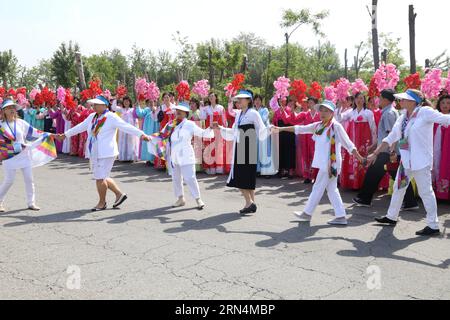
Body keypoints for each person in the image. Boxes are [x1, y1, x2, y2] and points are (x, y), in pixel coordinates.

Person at [369, 89, 450, 236]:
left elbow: (446, 119)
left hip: (421, 162)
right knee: (399, 189)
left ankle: (433, 225)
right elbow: (391, 137)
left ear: (413, 101)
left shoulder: (425, 111)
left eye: (403, 99)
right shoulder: (402, 117)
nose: (400, 101)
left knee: (426, 192)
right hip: (406, 162)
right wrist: (375, 153)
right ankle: (391, 217)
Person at [274, 100, 364, 226]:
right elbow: (300, 128)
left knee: (318, 188)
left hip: (330, 164)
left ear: (332, 113)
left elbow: (348, 144)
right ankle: (341, 216)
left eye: (326, 111)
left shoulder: (336, 126)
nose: (322, 113)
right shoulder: (318, 126)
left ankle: (307, 213)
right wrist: (281, 128)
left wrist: (359, 156)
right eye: (321, 110)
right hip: (324, 163)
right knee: (332, 189)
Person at [57, 96, 151, 211]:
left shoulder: (111, 117)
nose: (94, 106)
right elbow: (80, 127)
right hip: (95, 152)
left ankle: (102, 203)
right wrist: (65, 134)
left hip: (106, 152)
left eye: (97, 104)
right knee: (103, 176)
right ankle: (119, 194)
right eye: (94, 104)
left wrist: (141, 134)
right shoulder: (92, 117)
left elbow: (126, 127)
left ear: (105, 105)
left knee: (99, 177)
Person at [353, 89, 418, 209]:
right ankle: (410, 202)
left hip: (387, 152)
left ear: (386, 100)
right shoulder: (390, 112)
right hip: (388, 151)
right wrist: (375, 145)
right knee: (397, 176)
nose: (379, 100)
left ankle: (364, 198)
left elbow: (391, 134)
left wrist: (391, 152)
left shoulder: (388, 114)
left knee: (372, 174)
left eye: (380, 98)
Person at [213, 90, 271, 214]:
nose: (239, 101)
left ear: (249, 100)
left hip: (249, 146)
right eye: (238, 99)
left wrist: (270, 130)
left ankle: (250, 203)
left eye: (242, 99)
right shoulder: (239, 114)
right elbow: (234, 131)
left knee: (243, 176)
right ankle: (250, 204)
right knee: (243, 175)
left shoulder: (253, 113)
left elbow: (262, 129)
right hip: (240, 146)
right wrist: (221, 128)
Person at [148, 102, 211, 210]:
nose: (177, 113)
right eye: (177, 111)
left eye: (180, 112)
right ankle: (180, 198)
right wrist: (149, 137)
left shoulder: (190, 124)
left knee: (190, 178)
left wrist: (211, 129)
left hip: (186, 154)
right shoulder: (171, 124)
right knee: (176, 178)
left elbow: (203, 133)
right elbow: (161, 135)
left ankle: (198, 198)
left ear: (185, 113)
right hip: (174, 155)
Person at [0, 100, 54, 212]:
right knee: (9, 180)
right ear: (3, 111)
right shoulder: (1, 125)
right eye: (8, 108)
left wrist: (50, 134)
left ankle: (31, 203)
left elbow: (35, 132)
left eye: (13, 107)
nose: (11, 109)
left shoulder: (21, 123)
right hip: (9, 156)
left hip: (24, 155)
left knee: (29, 179)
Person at [340, 92, 377, 190]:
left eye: (361, 98)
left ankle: (364, 184)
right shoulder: (350, 112)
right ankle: (354, 184)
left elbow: (373, 128)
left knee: (364, 161)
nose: (359, 100)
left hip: (364, 141)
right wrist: (340, 104)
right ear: (354, 100)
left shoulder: (368, 113)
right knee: (353, 160)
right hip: (353, 141)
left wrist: (374, 143)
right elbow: (340, 117)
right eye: (357, 98)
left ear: (364, 100)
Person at [200, 93, 228, 175]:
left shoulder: (220, 107)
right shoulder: (206, 108)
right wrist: (201, 107)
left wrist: (225, 128)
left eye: (213, 96)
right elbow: (202, 117)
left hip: (218, 131)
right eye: (210, 96)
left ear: (216, 97)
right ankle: (211, 168)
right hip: (209, 131)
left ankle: (219, 168)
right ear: (208, 99)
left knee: (219, 148)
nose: (211, 97)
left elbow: (224, 119)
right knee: (209, 149)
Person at [270, 95, 296, 179]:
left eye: (284, 99)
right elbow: (274, 121)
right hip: (280, 134)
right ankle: (282, 169)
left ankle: (290, 170)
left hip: (289, 133)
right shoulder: (276, 111)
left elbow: (290, 120)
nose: (282, 101)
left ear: (286, 100)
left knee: (290, 151)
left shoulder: (289, 109)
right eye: (280, 99)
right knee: (281, 151)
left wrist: (285, 112)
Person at [433, 94, 450, 200]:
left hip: (447, 150)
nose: (445, 105)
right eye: (443, 102)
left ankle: (445, 193)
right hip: (435, 149)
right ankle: (435, 193)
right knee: (435, 166)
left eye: (448, 103)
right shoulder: (434, 117)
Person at [111, 96, 139, 162]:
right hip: (123, 129)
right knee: (123, 142)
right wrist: (116, 98)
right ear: (123, 102)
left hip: (130, 128)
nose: (126, 102)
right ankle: (123, 157)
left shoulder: (132, 109)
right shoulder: (121, 109)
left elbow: (136, 118)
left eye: (127, 101)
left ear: (130, 102)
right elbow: (113, 107)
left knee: (131, 142)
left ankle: (131, 157)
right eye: (125, 101)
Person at [135, 99, 160, 165]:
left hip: (155, 128)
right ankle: (148, 159)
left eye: (153, 101)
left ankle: (155, 159)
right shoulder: (146, 109)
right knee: (148, 142)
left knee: (155, 142)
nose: (152, 103)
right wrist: (138, 105)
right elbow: (140, 113)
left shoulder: (158, 109)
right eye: (150, 102)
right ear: (148, 103)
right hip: (147, 129)